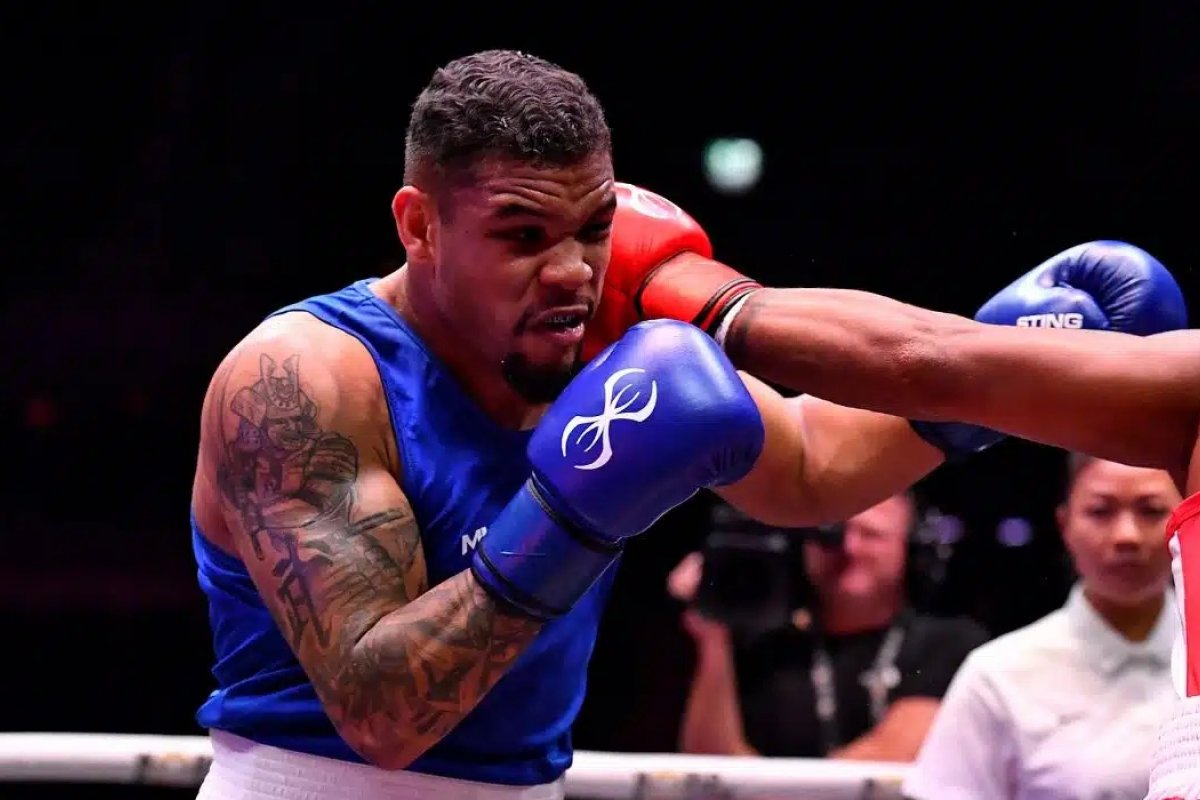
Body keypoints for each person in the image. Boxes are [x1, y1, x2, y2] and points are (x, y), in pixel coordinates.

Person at [187, 49, 1185, 799]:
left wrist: (986, 380)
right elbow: (381, 708)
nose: (572, 271)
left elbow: (807, 464)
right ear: (419, 224)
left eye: (591, 227)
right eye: (523, 236)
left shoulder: (596, 330)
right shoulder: (304, 377)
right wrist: (579, 512)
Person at [590, 199, 1200, 797]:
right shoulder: (1006, 672)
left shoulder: (947, 647)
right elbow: (815, 456)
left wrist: (707, 303)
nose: (568, 272)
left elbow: (910, 382)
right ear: (1065, 523)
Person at [904, 454, 1182, 800]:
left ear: (1186, 522)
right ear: (1064, 525)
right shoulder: (998, 675)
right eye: (1100, 511)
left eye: (1151, 511)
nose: (1127, 535)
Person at [668, 493, 988, 762]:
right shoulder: (769, 650)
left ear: (911, 550)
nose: (849, 547)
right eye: (832, 534)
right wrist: (714, 638)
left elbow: (894, 755)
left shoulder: (949, 644)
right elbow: (710, 767)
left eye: (871, 534)